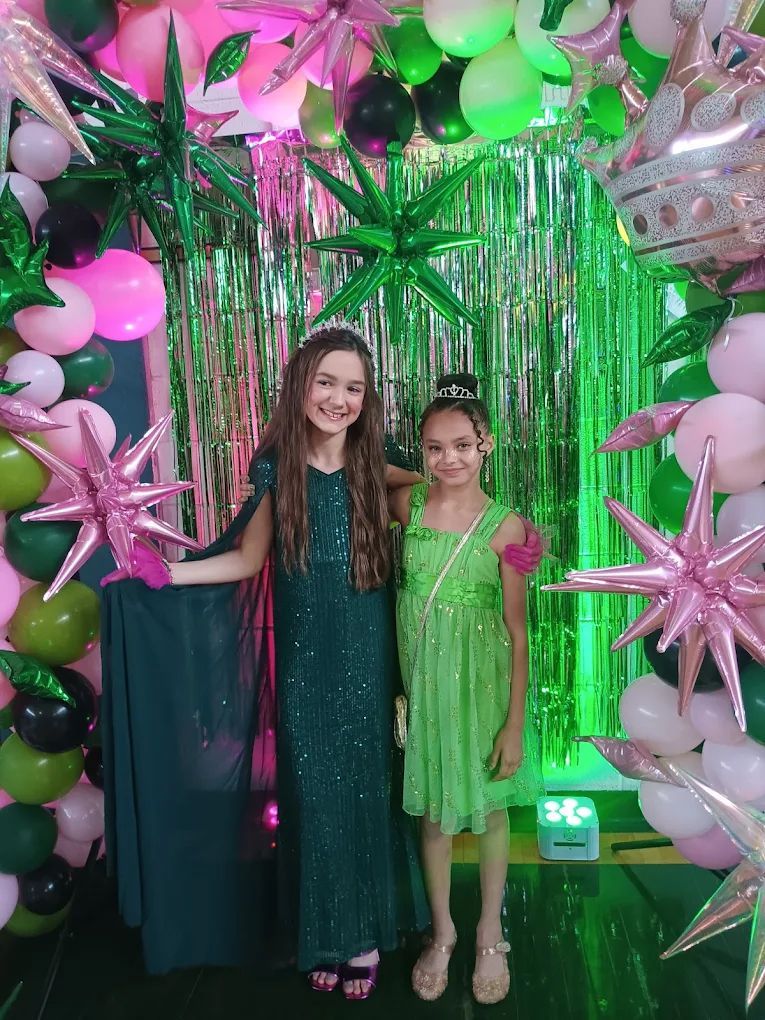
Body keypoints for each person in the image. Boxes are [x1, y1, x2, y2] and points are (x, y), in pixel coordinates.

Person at [101, 323, 428, 997]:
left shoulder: (382, 464)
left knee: (365, 793)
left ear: (367, 399)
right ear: (301, 385)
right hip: (307, 666)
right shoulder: (276, 467)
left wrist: (510, 543)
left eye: (354, 388)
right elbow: (249, 559)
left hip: (369, 660)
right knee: (314, 800)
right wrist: (165, 577)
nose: (339, 399)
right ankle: (322, 933)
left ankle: (362, 935)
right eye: (327, 383)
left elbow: (448, 509)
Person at [388, 373, 545, 1006]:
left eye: (461, 445)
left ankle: (488, 932)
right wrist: (407, 477)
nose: (447, 459)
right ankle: (443, 931)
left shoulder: (508, 529)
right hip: (425, 689)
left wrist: (514, 722)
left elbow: (517, 631)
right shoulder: (411, 506)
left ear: (487, 444)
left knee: (491, 812)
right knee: (431, 813)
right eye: (432, 447)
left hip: (483, 689)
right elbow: (363, 480)